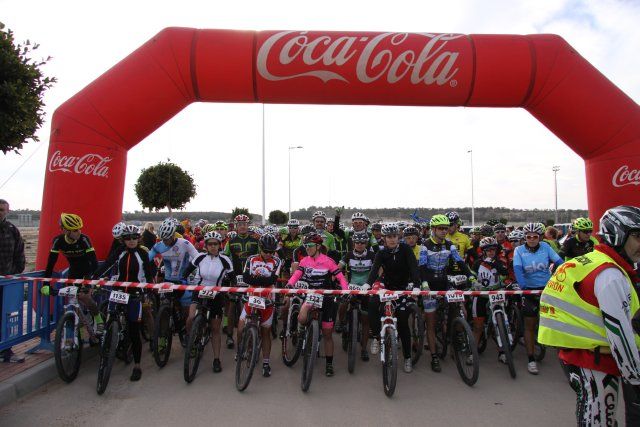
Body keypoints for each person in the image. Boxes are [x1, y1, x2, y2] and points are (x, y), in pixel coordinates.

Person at [538, 206, 640, 426]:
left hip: (579, 354)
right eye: (637, 236)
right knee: (598, 420)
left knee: (595, 416)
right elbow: (620, 335)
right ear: (618, 235)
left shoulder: (593, 261)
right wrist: (636, 377)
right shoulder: (610, 274)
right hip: (596, 360)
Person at [287, 232, 348, 377]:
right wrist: (289, 284)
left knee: (327, 334)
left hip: (326, 297)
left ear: (318, 246)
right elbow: (297, 275)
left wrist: (345, 290)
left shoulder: (328, 261)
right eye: (305, 246)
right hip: (311, 295)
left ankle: (329, 364)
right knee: (301, 318)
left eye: (310, 246)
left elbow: (340, 277)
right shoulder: (305, 261)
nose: (307, 248)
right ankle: (302, 332)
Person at [420, 215, 475, 372]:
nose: (444, 231)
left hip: (445, 283)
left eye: (446, 228)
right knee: (430, 321)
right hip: (429, 284)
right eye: (441, 229)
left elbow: (460, 261)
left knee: (461, 308)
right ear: (433, 229)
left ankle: (456, 332)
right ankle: (434, 356)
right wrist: (424, 283)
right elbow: (422, 267)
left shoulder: (450, 245)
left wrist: (470, 275)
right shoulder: (425, 245)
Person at [100, 225, 154, 381]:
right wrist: (92, 277)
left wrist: (148, 292)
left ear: (139, 238)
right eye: (128, 238)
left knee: (134, 330)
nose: (131, 241)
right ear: (123, 240)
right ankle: (109, 343)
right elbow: (107, 264)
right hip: (118, 291)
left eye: (134, 237)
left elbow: (149, 275)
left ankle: (137, 366)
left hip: (135, 293)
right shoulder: (120, 251)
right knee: (110, 318)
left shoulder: (143, 253)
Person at [366, 223, 421, 373]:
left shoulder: (406, 249)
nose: (392, 239)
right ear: (384, 238)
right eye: (388, 237)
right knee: (372, 303)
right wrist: (367, 284)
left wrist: (417, 285)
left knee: (403, 321)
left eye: (394, 236)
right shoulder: (381, 252)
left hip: (403, 288)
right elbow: (374, 270)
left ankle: (408, 357)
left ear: (398, 237)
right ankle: (377, 337)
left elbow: (414, 268)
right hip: (387, 285)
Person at [512, 222, 564, 375]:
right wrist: (524, 287)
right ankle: (531, 359)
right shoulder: (519, 250)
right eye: (528, 237)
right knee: (529, 324)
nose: (532, 239)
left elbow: (560, 263)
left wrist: (563, 276)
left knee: (555, 321)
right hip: (529, 290)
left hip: (546, 288)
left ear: (540, 237)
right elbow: (518, 269)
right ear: (525, 237)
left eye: (535, 237)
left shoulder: (546, 247)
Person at [182, 231, 234, 373]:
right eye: (210, 244)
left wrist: (229, 286)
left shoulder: (225, 260)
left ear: (220, 245)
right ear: (205, 245)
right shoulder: (199, 257)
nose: (212, 247)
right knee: (191, 318)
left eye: (215, 244)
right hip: (199, 290)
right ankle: (191, 338)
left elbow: (232, 277)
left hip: (216, 294)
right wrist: (183, 279)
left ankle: (216, 359)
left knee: (215, 329)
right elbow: (187, 271)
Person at [42, 213, 102, 333]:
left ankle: (98, 319)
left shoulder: (84, 239)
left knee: (85, 297)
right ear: (64, 230)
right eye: (74, 230)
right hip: (73, 272)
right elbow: (50, 264)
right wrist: (46, 284)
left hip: (88, 271)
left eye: (79, 229)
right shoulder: (58, 241)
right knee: (72, 299)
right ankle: (78, 330)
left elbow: (94, 263)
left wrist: (92, 280)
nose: (78, 232)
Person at [238, 234, 282, 377]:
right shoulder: (251, 259)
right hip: (252, 295)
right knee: (240, 328)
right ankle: (241, 351)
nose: (269, 254)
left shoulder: (277, 261)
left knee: (265, 332)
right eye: (266, 251)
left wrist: (257, 279)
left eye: (271, 251)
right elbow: (246, 277)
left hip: (268, 297)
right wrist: (263, 280)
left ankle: (266, 363)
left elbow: (272, 279)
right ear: (260, 248)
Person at [470, 237, 511, 363]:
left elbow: (505, 273)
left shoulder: (500, 261)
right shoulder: (477, 263)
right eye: (488, 250)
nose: (491, 252)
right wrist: (474, 282)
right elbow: (471, 276)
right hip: (481, 296)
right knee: (478, 327)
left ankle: (503, 351)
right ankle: (473, 352)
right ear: (483, 251)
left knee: (500, 325)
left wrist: (494, 263)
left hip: (496, 294)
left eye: (493, 250)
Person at [222, 214, 259, 349]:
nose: (242, 226)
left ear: (248, 225)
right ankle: (230, 336)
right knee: (231, 307)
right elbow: (224, 258)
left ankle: (251, 334)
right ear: (236, 226)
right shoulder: (230, 241)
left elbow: (262, 258)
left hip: (252, 279)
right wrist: (226, 273)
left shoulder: (256, 241)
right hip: (235, 278)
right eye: (240, 224)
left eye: (244, 224)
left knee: (251, 306)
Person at [337, 231, 375, 361]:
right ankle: (341, 323)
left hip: (366, 288)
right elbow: (338, 268)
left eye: (362, 242)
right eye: (357, 242)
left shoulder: (371, 255)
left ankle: (364, 349)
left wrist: (376, 282)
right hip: (351, 286)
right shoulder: (348, 254)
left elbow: (377, 270)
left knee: (365, 320)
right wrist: (337, 278)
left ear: (366, 243)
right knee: (343, 303)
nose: (359, 244)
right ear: (354, 243)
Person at [0, 199, 26, 363]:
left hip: (6, 282)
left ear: (7, 211)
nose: (0, 212)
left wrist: (14, 273)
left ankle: (5, 350)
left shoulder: (12, 230)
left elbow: (19, 253)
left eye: (2, 210)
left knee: (5, 316)